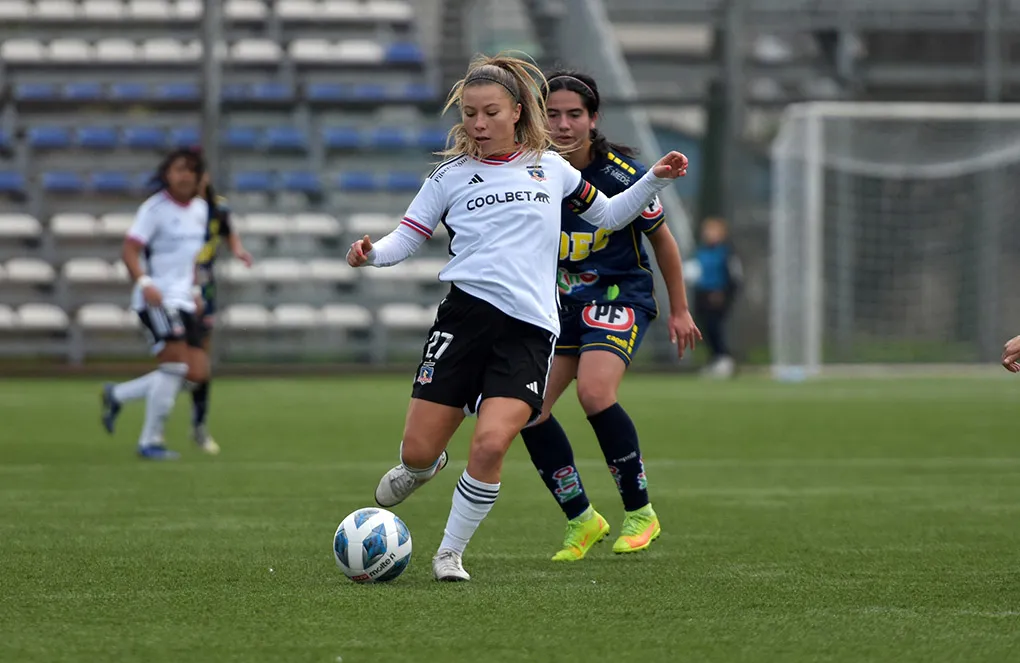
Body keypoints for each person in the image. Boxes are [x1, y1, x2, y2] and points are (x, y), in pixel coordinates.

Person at [345, 53, 688, 582]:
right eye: (469, 114)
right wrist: (371, 254)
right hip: (461, 323)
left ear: (517, 113)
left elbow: (612, 215)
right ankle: (424, 466)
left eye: (490, 113)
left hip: (528, 331)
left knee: (491, 441)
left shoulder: (551, 168)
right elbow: (406, 239)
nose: (478, 125)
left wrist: (654, 181)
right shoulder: (448, 177)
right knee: (416, 451)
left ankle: (449, 555)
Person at [486, 70, 700, 562]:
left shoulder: (620, 174)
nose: (563, 125)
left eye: (574, 115)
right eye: (553, 114)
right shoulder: (527, 173)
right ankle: (582, 518)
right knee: (528, 410)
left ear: (593, 119)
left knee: (595, 391)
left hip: (618, 295)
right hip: (557, 307)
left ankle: (640, 512)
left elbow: (661, 240)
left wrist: (680, 309)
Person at [100, 148, 211, 460]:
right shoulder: (155, 208)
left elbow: (191, 258)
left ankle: (117, 394)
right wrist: (145, 283)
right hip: (158, 297)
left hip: (184, 298)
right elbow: (130, 251)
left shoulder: (201, 209)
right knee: (175, 366)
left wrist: (195, 290)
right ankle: (150, 441)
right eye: (179, 169)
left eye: (191, 170)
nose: (185, 175)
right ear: (167, 174)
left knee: (197, 373)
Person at [188, 174, 254, 453]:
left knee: (201, 355)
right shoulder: (177, 208)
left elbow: (228, 232)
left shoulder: (218, 206)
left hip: (204, 281)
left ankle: (199, 425)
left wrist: (238, 251)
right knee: (179, 357)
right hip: (176, 280)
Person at [691, 217, 742, 378]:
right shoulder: (700, 251)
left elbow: (735, 277)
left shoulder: (726, 252)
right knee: (705, 328)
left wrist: (724, 294)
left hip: (719, 297)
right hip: (702, 296)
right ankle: (714, 359)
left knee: (716, 327)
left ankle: (724, 358)